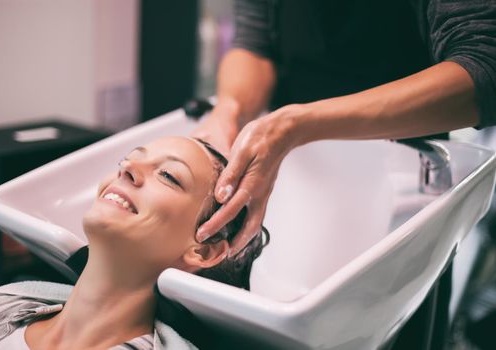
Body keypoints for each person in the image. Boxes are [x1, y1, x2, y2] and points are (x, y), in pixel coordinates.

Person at [193, 0, 496, 256]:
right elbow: (256, 42)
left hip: (400, 185)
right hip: (297, 175)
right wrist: (228, 109)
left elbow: (484, 69)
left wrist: (298, 125)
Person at [0, 136, 267, 350]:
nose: (126, 170)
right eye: (126, 161)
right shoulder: (0, 306)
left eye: (168, 175)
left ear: (202, 250)